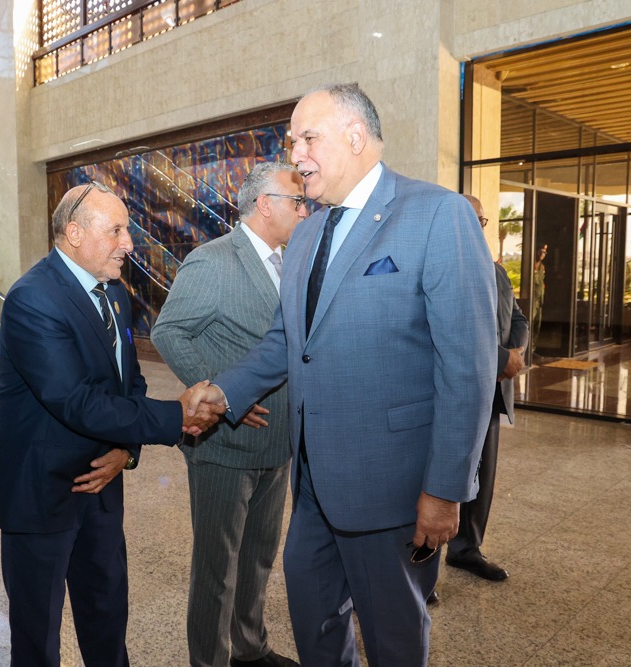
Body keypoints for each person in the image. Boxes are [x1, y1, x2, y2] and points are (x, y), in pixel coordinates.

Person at [185, 83, 497, 667]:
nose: (296, 154)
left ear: (355, 137)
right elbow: (286, 342)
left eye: (308, 138)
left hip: (392, 491)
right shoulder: (306, 233)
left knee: (393, 639)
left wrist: (445, 489)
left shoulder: (437, 215)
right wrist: (223, 393)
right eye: (292, 141)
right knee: (315, 626)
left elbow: (469, 368)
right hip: (313, 490)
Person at [0, 181, 225, 667]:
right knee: (38, 636)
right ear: (74, 234)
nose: (128, 244)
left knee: (107, 616)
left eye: (126, 231)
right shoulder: (32, 298)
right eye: (116, 231)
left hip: (103, 484)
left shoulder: (115, 294)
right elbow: (75, 401)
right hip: (41, 493)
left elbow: (128, 383)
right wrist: (177, 415)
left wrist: (126, 452)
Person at [152, 161, 307, 667]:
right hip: (225, 445)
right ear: (265, 205)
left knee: (258, 557)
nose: (305, 211)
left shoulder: (291, 262)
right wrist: (223, 393)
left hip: (277, 442)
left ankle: (250, 648)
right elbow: (169, 332)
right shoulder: (214, 260)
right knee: (217, 567)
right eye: (297, 202)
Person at [444, 194, 528, 581]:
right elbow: (449, 329)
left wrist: (515, 353)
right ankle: (420, 567)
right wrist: (498, 359)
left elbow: (519, 317)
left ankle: (466, 549)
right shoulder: (440, 266)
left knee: (483, 475)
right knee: (441, 479)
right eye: (468, 218)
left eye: (480, 220)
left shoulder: (497, 271)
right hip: (452, 393)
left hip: (492, 393)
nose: (476, 227)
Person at [531, 244, 547, 354]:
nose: (542, 254)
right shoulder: (531, 264)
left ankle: (533, 348)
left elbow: (542, 282)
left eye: (544, 252)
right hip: (532, 300)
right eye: (541, 251)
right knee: (530, 323)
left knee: (537, 325)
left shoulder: (542, 267)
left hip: (539, 300)